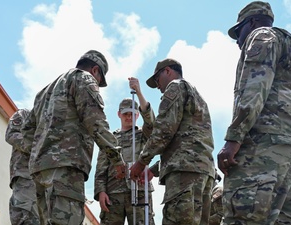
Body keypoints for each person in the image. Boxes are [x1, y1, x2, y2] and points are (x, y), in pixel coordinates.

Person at [217, 1, 291, 224]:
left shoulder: (262, 36)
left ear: (253, 22)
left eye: (239, 32)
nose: (238, 41)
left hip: (261, 144)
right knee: (282, 219)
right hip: (288, 149)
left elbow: (254, 89)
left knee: (244, 214)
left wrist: (234, 138)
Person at [22, 50, 125, 225]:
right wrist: (117, 158)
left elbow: (27, 133)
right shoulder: (83, 79)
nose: (98, 85)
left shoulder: (44, 92)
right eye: (100, 81)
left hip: (39, 171)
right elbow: (96, 122)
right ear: (95, 71)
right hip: (66, 168)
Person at [130, 58, 216, 225]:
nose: (158, 87)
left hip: (184, 174)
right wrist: (154, 170)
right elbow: (186, 140)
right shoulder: (196, 95)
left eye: (157, 79)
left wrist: (141, 163)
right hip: (203, 172)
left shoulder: (175, 87)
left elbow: (164, 131)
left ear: (168, 71)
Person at [94, 77, 156, 225]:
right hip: (113, 193)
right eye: (125, 114)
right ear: (119, 114)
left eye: (132, 114)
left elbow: (151, 123)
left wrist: (139, 92)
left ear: (137, 115)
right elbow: (101, 168)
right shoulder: (110, 139)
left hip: (140, 191)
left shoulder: (143, 135)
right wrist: (100, 191)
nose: (129, 117)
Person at [6, 108, 40, 225]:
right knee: (27, 219)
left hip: (47, 182)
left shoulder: (53, 122)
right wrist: (39, 148)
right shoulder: (25, 114)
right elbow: (11, 134)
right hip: (26, 177)